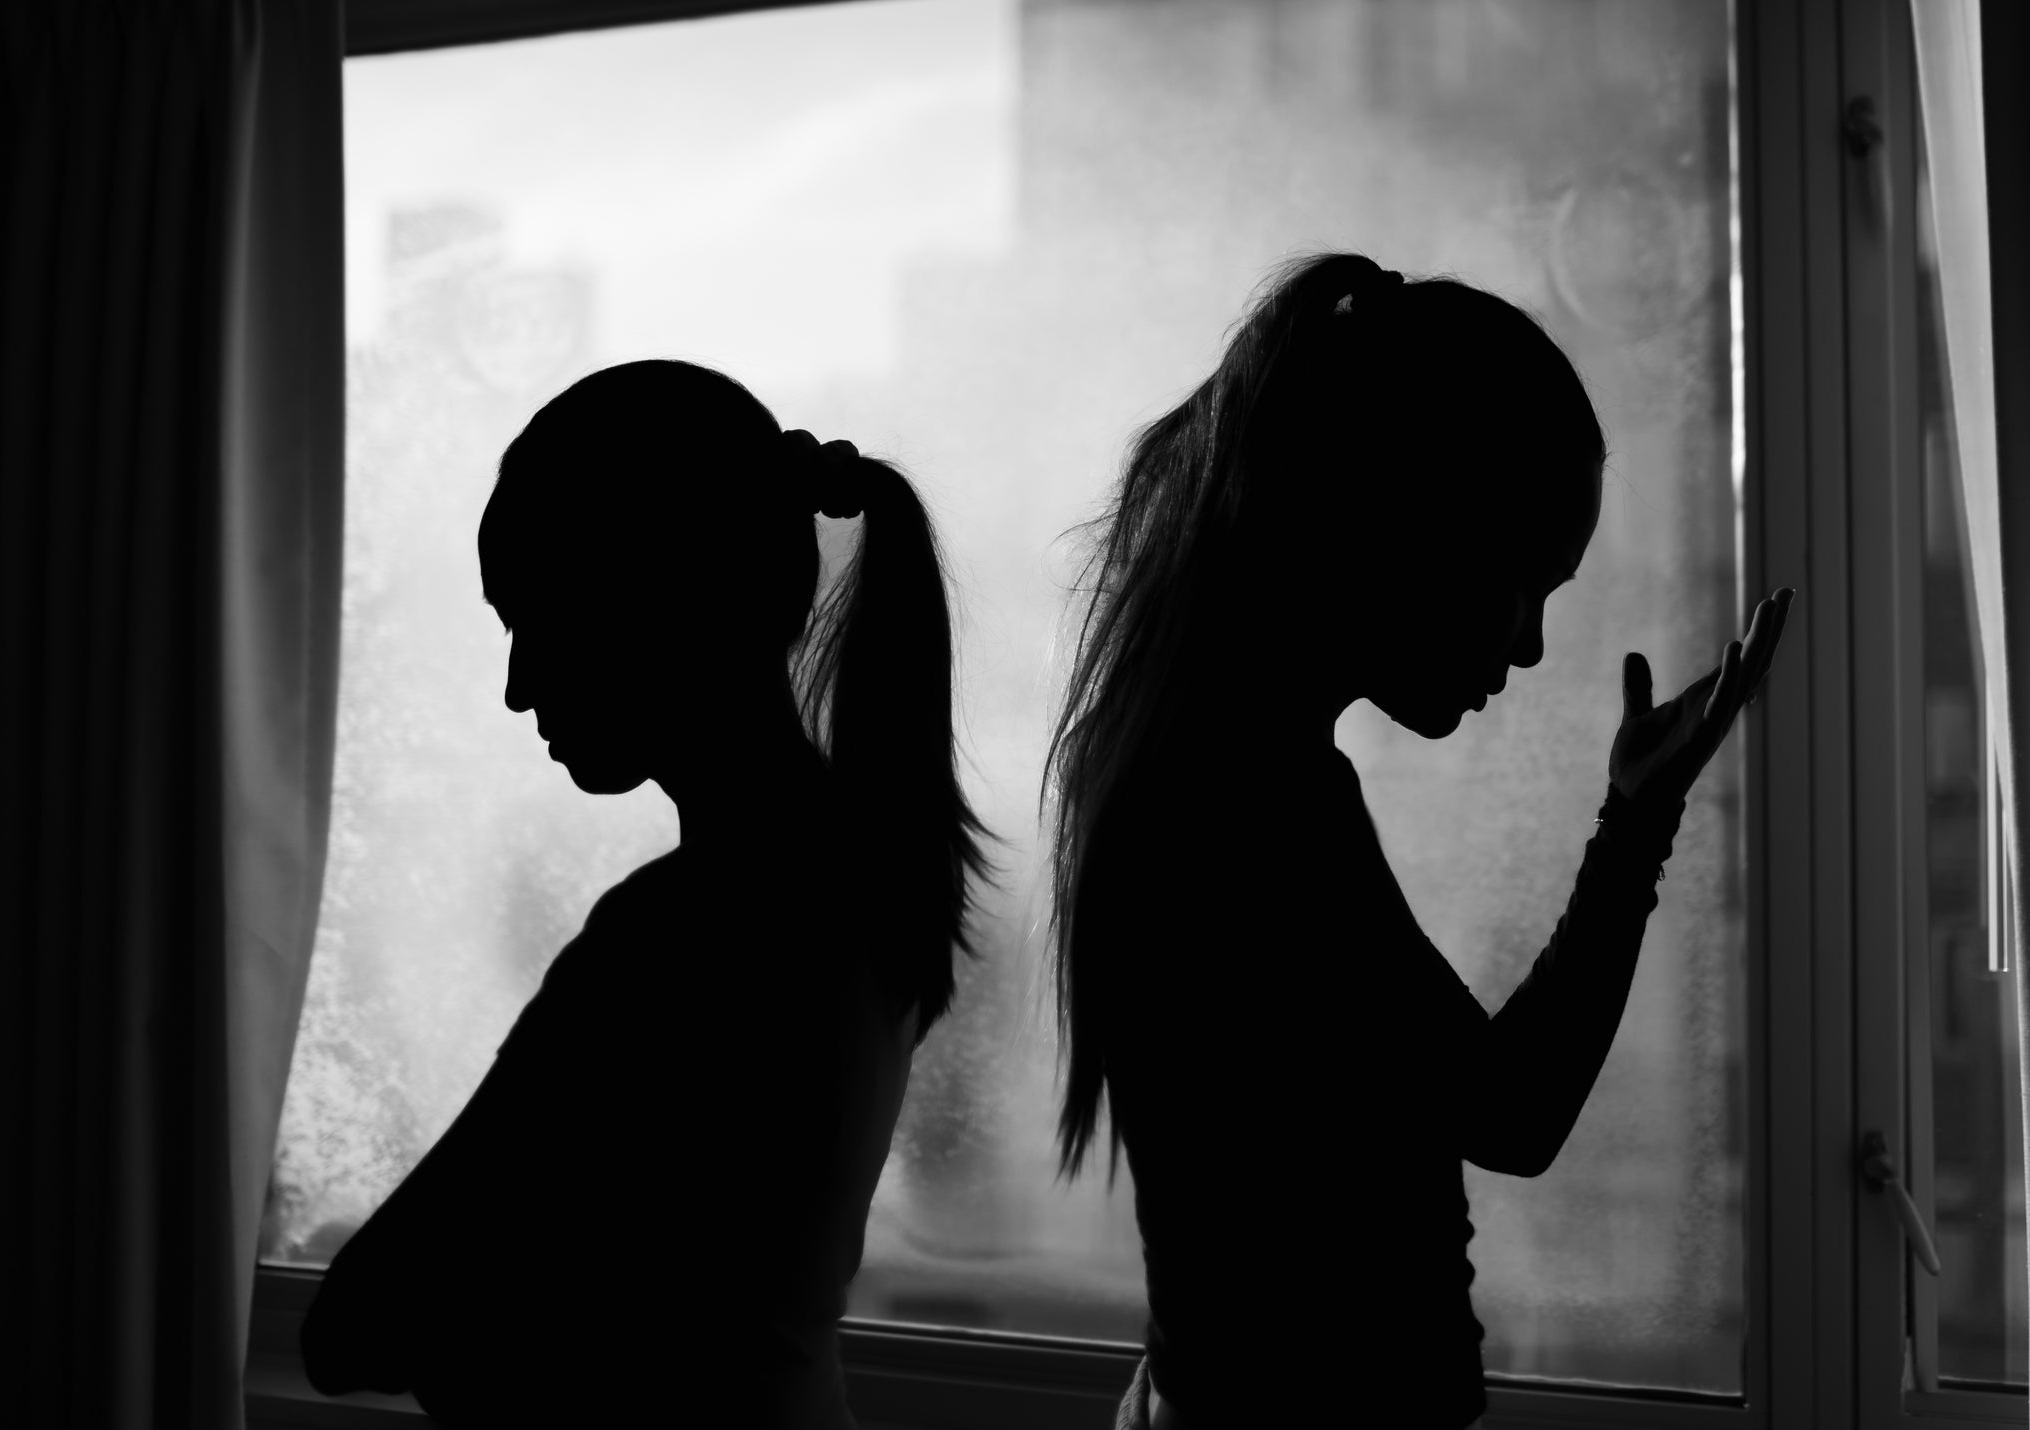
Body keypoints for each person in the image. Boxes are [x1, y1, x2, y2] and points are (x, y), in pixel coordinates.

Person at [1043, 254, 1792, 1429]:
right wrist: (1633, 826)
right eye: (1521, 579)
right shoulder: (1258, 798)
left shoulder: (1201, 757)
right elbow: (1510, 1110)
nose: (1529, 643)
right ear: (1410, 521)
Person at [299, 359, 990, 1428]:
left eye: (538, 617)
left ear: (656, 598)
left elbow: (353, 1325)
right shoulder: (867, 876)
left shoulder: (679, 933)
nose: (518, 685)